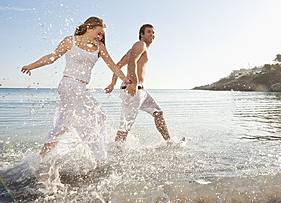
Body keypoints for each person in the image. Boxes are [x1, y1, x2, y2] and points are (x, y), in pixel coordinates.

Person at [21, 17, 130, 173]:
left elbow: (112, 65)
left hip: (80, 87)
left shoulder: (99, 47)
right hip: (68, 84)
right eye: (98, 33)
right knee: (98, 115)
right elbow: (51, 58)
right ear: (89, 28)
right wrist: (30, 66)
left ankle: (41, 159)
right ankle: (99, 160)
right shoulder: (70, 41)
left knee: (63, 126)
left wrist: (126, 80)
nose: (99, 37)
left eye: (102, 35)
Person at [105, 24, 176, 144]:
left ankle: (170, 142)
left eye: (153, 33)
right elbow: (132, 62)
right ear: (141, 34)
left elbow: (117, 66)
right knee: (125, 126)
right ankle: (116, 152)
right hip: (133, 88)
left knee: (158, 113)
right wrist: (132, 83)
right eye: (148, 32)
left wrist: (112, 84)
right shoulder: (140, 45)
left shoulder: (139, 48)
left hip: (140, 90)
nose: (152, 35)